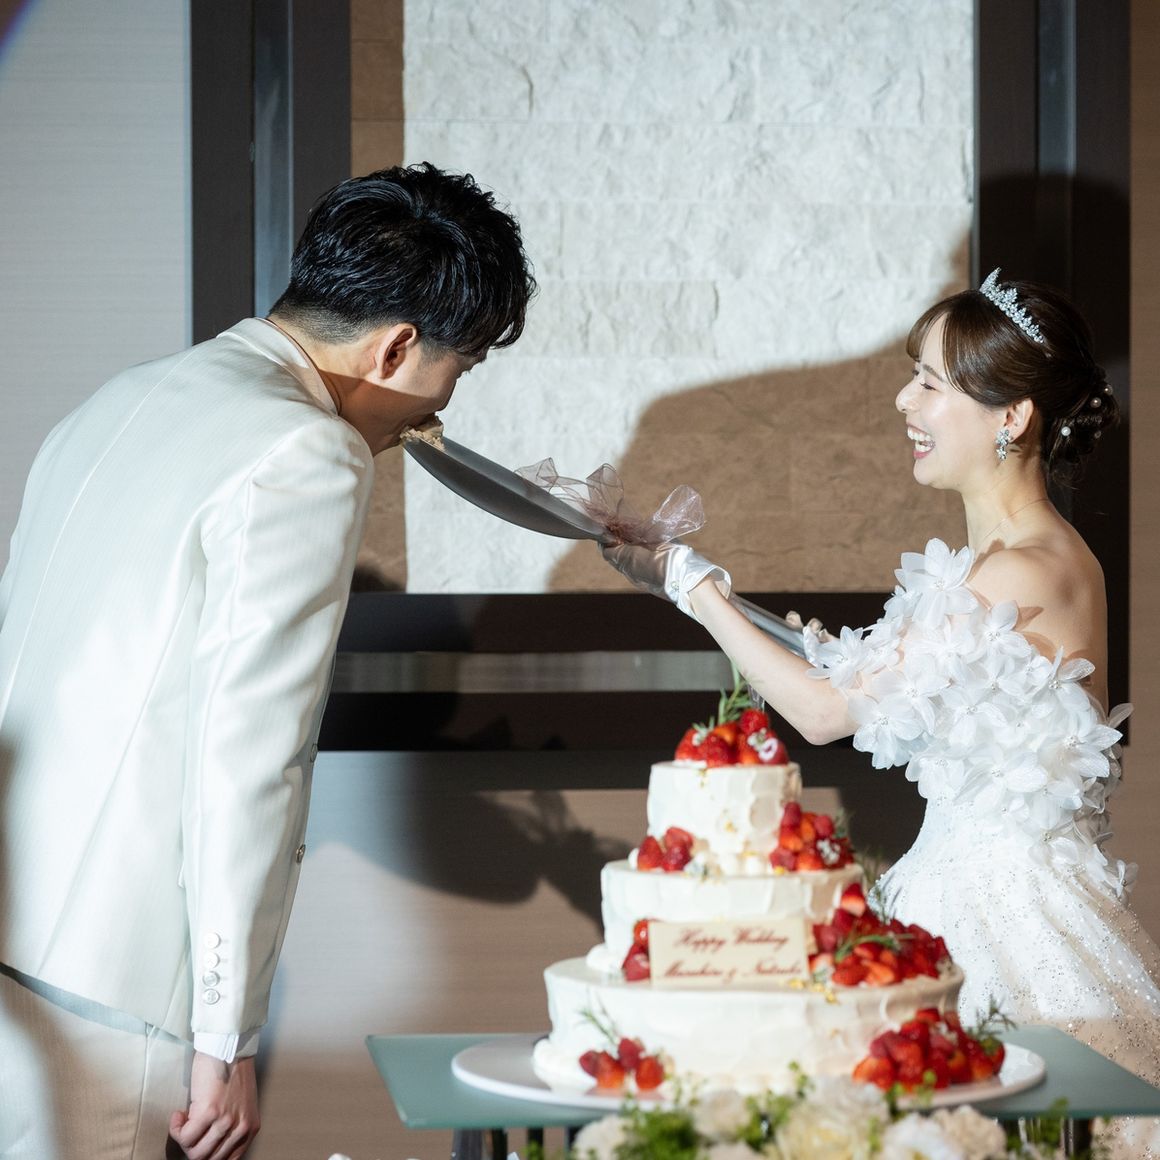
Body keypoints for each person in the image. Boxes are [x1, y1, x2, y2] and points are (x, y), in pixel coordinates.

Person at [0, 162, 533, 1160]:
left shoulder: (120, 397)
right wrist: (226, 1035)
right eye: (458, 368)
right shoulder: (307, 452)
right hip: (111, 983)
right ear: (397, 346)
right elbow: (249, 758)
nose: (439, 403)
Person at [602, 269, 1160, 1157]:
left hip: (1007, 926)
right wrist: (765, 623)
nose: (905, 400)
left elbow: (826, 714)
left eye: (931, 383)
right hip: (973, 895)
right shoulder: (1022, 561)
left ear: (1012, 416)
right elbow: (875, 684)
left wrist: (693, 589)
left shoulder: (1018, 571)